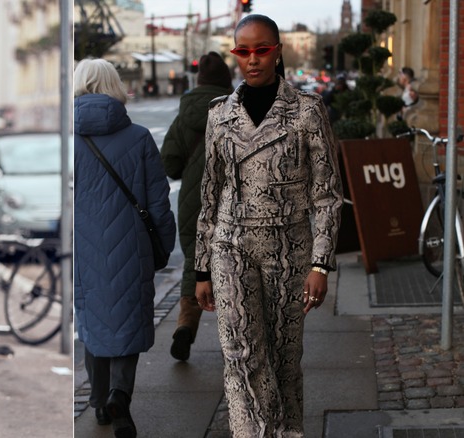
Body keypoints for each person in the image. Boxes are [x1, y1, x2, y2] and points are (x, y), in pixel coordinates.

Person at [194, 14, 343, 436]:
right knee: (242, 354)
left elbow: (328, 194)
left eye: (261, 50)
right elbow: (210, 194)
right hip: (231, 246)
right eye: (243, 51)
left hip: (289, 249)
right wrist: (201, 267)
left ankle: (287, 430)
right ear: (235, 54)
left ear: (278, 51)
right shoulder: (219, 116)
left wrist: (320, 264)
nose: (252, 60)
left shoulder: (307, 112)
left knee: (283, 355)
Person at [74, 58, 176, 438]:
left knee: (94, 322)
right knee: (126, 321)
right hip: (131, 246)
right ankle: (120, 396)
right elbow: (159, 202)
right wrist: (163, 247)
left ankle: (99, 401)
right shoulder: (139, 137)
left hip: (83, 252)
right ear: (116, 86)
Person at [160, 51, 233, 362]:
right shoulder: (236, 109)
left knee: (194, 260)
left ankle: (185, 326)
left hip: (193, 200)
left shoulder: (184, 115)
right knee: (232, 265)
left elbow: (169, 163)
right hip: (230, 198)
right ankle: (235, 335)